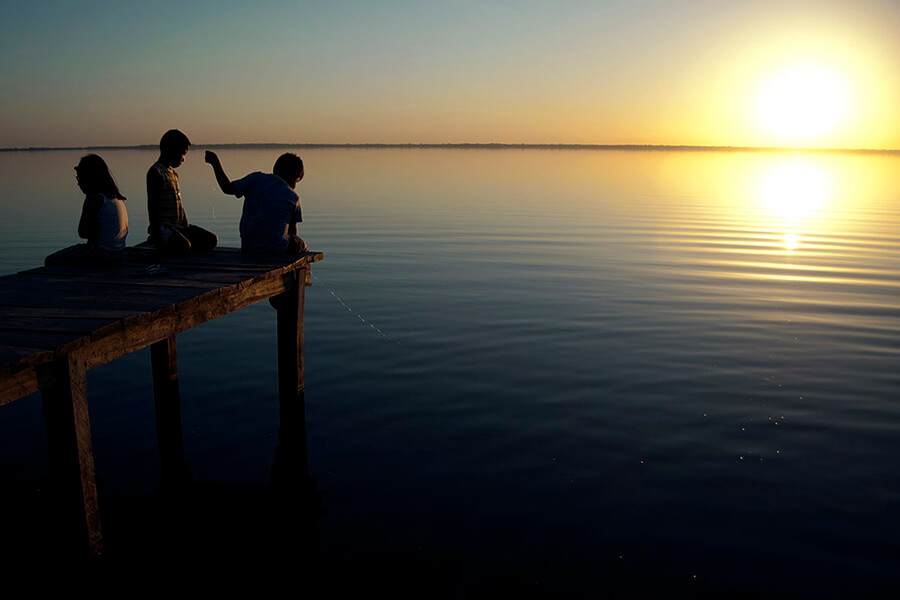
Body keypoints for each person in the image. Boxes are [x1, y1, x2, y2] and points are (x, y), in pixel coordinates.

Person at [204, 150, 307, 254]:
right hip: (277, 249)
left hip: (249, 247)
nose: (294, 187)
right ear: (295, 175)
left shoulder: (256, 178)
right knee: (300, 244)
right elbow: (293, 232)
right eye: (297, 181)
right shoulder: (294, 197)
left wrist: (215, 163)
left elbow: (227, 188)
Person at [45, 154, 128, 266]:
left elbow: (83, 232)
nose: (78, 183)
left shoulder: (94, 199)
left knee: (50, 261)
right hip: (119, 253)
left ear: (90, 178)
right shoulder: (117, 198)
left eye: (80, 178)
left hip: (99, 254)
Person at [147, 129, 218, 255]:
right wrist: (156, 231)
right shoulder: (155, 172)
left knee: (211, 240)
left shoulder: (174, 174)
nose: (183, 159)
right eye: (183, 154)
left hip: (181, 226)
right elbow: (152, 205)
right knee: (183, 246)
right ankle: (162, 241)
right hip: (165, 227)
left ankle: (180, 241)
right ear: (171, 151)